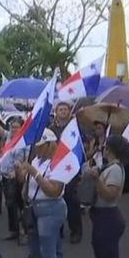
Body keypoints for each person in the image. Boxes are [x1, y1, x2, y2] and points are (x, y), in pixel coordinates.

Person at [81, 135, 129, 258]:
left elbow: (110, 195)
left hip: (109, 217)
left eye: (106, 146)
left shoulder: (116, 170)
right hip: (99, 216)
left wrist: (97, 180)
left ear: (111, 149)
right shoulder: (107, 167)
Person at [17, 129, 66, 258]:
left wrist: (34, 173)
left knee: (48, 248)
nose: (37, 149)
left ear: (49, 145)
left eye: (40, 146)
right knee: (35, 247)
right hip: (34, 206)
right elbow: (24, 181)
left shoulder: (58, 163)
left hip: (51, 208)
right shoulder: (37, 160)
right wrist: (22, 171)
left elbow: (53, 190)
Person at [0, 109, 27, 242]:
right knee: (10, 204)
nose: (14, 129)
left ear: (22, 128)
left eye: (17, 127)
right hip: (6, 176)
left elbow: (27, 159)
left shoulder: (25, 141)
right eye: (12, 127)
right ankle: (14, 231)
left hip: (18, 176)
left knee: (19, 204)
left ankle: (24, 230)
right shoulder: (7, 136)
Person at [50, 102, 82, 244]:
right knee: (56, 198)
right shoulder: (51, 129)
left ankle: (76, 230)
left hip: (71, 167)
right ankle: (59, 229)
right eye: (60, 109)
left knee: (70, 199)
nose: (63, 112)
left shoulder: (75, 127)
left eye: (65, 109)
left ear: (69, 111)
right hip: (56, 168)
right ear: (56, 112)